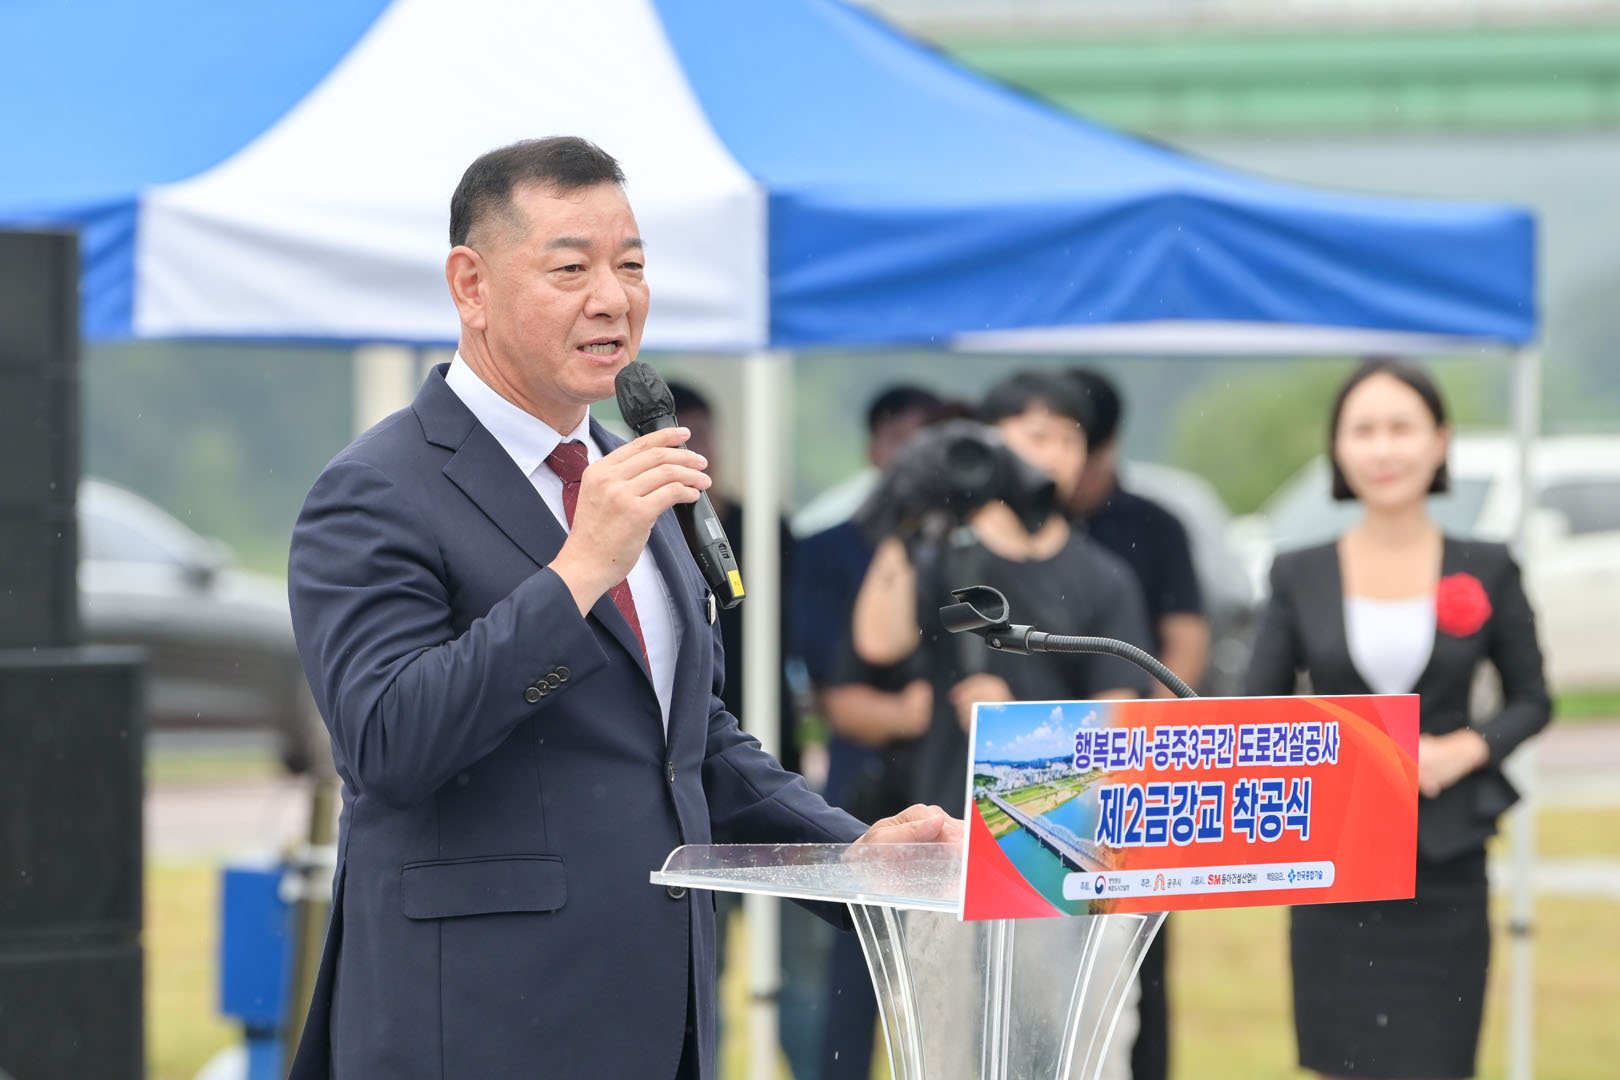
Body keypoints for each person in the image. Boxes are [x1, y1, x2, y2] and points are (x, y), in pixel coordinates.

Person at [284, 136, 959, 1080]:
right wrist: (577, 573)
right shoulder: (377, 490)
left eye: (632, 266)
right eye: (571, 269)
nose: (613, 298)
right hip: (476, 1027)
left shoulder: (630, 467)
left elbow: (686, 740)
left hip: (658, 1020)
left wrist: (852, 857)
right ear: (471, 286)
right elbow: (389, 742)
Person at [1244, 358, 1551, 1080]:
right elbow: (1259, 706)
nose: (1383, 449)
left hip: (1446, 857)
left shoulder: (1488, 565)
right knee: (1342, 1057)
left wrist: (1465, 748)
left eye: (1401, 428)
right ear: (1337, 448)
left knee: (1437, 1058)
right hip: (1333, 858)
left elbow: (1533, 699)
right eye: (1364, 430)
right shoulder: (1297, 571)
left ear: (1440, 441)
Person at [852, 370, 1156, 814]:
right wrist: (907, 517)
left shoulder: (1105, 576)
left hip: (1053, 819)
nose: (1055, 455)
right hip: (942, 812)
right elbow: (879, 644)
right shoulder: (938, 552)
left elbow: (1119, 721)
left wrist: (1015, 728)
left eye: (1070, 441)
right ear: (987, 441)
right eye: (1038, 437)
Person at [792, 385, 941, 1080]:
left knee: (955, 974)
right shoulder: (829, 550)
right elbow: (829, 675)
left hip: (950, 771)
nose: (917, 458)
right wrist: (901, 711)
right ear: (874, 448)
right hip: (866, 777)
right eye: (905, 440)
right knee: (856, 963)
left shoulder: (975, 547)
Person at [1065, 368, 1209, 1080]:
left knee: (1139, 961)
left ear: (1109, 447)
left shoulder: (1154, 527)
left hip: (1131, 762)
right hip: (1047, 763)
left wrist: (1141, 733)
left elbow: (1186, 637)